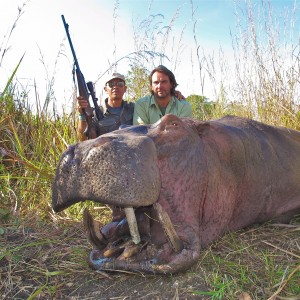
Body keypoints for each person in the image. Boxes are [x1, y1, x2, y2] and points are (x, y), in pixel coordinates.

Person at [76, 72, 134, 141]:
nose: (115, 87)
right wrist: (82, 115)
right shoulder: (95, 114)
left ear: (125, 88)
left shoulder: (133, 108)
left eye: (120, 84)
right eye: (111, 84)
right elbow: (82, 139)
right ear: (105, 89)